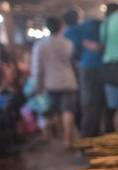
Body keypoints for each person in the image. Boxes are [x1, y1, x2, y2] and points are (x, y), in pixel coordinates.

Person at [31, 16, 78, 148]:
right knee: (68, 110)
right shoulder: (68, 43)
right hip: (68, 81)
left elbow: (37, 68)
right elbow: (75, 63)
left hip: (50, 83)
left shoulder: (40, 45)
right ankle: (68, 139)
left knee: (56, 111)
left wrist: (38, 86)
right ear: (61, 26)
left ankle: (62, 135)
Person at [66, 7, 106, 137]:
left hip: (89, 68)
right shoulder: (86, 27)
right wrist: (88, 44)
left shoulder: (76, 30)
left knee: (92, 103)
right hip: (92, 68)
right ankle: (87, 138)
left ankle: (92, 135)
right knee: (91, 104)